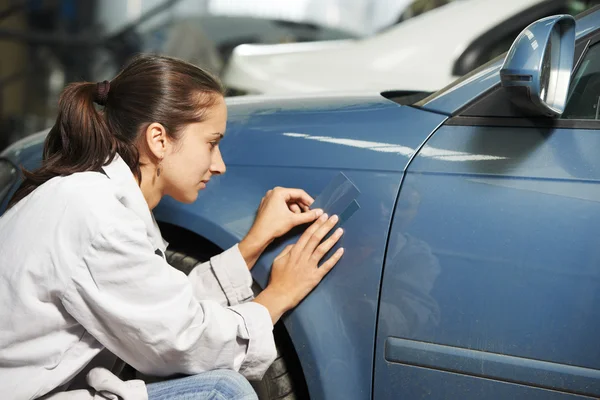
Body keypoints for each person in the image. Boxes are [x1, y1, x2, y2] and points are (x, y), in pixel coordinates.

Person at [0, 54, 345, 400]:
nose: (219, 164)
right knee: (222, 393)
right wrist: (279, 295)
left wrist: (252, 245)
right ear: (159, 140)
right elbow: (182, 341)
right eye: (212, 143)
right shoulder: (99, 217)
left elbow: (158, 311)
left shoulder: (95, 195)